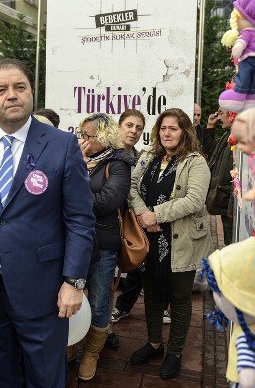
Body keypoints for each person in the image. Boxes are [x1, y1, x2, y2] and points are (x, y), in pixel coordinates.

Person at [0, 59, 95, 387]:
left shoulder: (62, 144)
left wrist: (74, 281)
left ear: (32, 92)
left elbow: (80, 219)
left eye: (20, 87)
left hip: (44, 289)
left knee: (46, 376)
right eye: (1, 90)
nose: (11, 95)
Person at [129, 108, 211, 379]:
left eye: (173, 128)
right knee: (151, 294)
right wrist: (144, 215)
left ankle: (174, 352)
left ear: (184, 131)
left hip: (182, 241)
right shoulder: (148, 156)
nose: (167, 133)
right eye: (163, 128)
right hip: (149, 237)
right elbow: (131, 187)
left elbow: (194, 200)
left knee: (179, 298)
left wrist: (158, 214)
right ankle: (154, 343)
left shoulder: (196, 162)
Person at [73, 113, 132, 381]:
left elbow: (108, 202)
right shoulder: (77, 160)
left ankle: (92, 353)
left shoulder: (118, 163)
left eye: (88, 135)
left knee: (98, 299)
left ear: (104, 136)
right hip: (75, 241)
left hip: (103, 243)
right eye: (81, 135)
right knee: (72, 295)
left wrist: (79, 174)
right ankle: (71, 344)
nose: (82, 140)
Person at [108, 109, 172, 349]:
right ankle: (104, 328)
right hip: (105, 226)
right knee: (104, 280)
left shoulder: (139, 158)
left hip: (132, 226)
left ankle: (113, 317)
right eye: (129, 125)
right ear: (119, 126)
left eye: (138, 128)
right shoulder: (106, 152)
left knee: (129, 271)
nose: (133, 131)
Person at [205, 106, 235, 245]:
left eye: (221, 113)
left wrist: (230, 204)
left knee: (232, 244)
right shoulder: (228, 134)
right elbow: (212, 155)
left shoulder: (236, 138)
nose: (218, 117)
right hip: (224, 203)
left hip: (229, 204)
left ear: (232, 114)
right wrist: (210, 127)